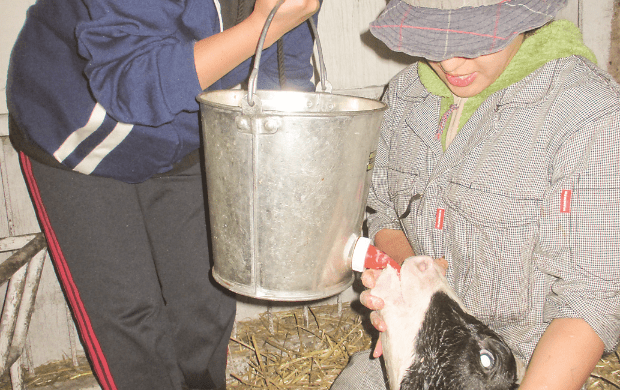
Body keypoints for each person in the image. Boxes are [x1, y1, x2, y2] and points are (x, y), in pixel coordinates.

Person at [6, 0, 320, 389]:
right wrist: (263, 26)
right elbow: (130, 85)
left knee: (206, 301)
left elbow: (283, 70)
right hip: (79, 132)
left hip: (185, 130)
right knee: (129, 315)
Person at [331, 0, 620, 389]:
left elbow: (593, 297)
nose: (450, 63)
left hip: (524, 365)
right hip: (428, 347)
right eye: (433, 37)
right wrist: (410, 297)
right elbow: (383, 210)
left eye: (476, 39)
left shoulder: (589, 115)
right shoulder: (405, 95)